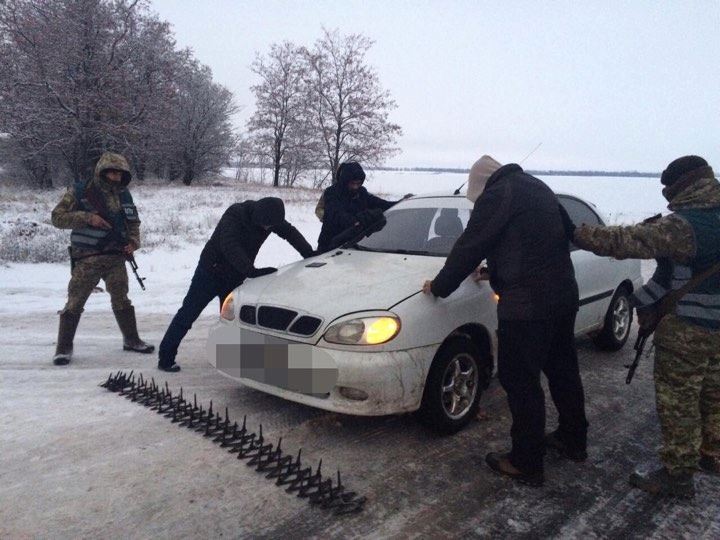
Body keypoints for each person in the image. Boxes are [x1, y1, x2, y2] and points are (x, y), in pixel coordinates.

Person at [422, 155, 588, 486]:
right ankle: (573, 440)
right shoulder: (539, 187)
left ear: (483, 184)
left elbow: (471, 244)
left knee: (520, 380)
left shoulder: (499, 195)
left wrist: (439, 286)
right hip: (563, 296)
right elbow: (557, 236)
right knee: (563, 369)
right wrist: (497, 270)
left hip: (527, 308)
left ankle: (526, 462)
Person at [572, 155, 720, 498]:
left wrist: (579, 234)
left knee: (678, 402)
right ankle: (712, 455)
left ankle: (678, 475)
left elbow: (627, 241)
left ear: (682, 186)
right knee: (714, 393)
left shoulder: (685, 225)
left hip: (688, 329)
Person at [158, 197, 314, 372]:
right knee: (188, 313)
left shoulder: (271, 218)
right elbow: (229, 245)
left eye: (271, 226)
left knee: (232, 320)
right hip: (210, 272)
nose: (267, 229)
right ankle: (165, 357)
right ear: (257, 216)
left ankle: (230, 358)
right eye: (265, 225)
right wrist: (251, 271)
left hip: (234, 276)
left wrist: (309, 254)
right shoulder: (235, 214)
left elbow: (290, 233)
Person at [51, 151, 154, 365]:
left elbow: (133, 223)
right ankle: (63, 347)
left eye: (119, 173)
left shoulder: (124, 195)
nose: (115, 177)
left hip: (115, 256)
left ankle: (131, 340)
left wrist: (133, 242)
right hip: (88, 257)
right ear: (102, 171)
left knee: (122, 298)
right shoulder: (80, 191)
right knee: (75, 301)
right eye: (111, 172)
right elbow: (57, 218)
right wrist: (88, 218)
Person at [316, 161, 411, 252]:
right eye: (352, 183)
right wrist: (355, 221)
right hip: (329, 243)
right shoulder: (331, 193)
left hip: (353, 243)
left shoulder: (361, 192)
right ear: (345, 181)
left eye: (358, 183)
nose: (355, 187)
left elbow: (380, 203)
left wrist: (400, 202)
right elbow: (336, 214)